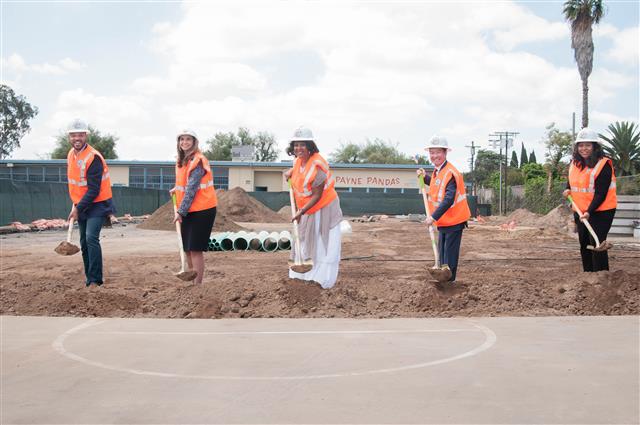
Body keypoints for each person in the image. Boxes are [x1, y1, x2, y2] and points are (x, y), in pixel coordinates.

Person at [284, 127, 343, 289]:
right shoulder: (297, 162)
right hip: (308, 209)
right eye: (296, 145)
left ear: (310, 146)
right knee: (305, 240)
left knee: (321, 243)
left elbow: (317, 196)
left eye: (302, 145)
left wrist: (300, 212)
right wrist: (289, 173)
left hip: (324, 208)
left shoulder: (317, 166)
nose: (298, 148)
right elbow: (299, 170)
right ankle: (303, 276)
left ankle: (322, 280)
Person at [65, 119, 116, 287]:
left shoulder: (93, 157)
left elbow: (94, 189)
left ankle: (96, 280)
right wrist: (76, 204)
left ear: (85, 136)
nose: (76, 138)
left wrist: (78, 208)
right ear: (69, 137)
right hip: (82, 204)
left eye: (80, 135)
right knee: (83, 243)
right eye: (73, 135)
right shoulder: (71, 155)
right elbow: (76, 183)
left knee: (91, 238)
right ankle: (89, 279)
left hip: (98, 204)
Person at [417, 135, 471, 283]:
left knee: (449, 256)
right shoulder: (438, 171)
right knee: (442, 254)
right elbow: (436, 184)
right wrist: (424, 177)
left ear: (445, 152)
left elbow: (448, 198)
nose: (434, 156)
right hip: (444, 221)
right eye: (432, 153)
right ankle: (443, 280)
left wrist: (433, 217)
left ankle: (450, 284)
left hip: (454, 221)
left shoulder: (450, 173)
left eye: (438, 152)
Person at [563, 127, 617, 272]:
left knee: (597, 243)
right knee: (584, 243)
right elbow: (571, 182)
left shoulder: (603, 164)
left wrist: (589, 211)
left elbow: (601, 193)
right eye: (581, 145)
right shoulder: (575, 163)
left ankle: (601, 276)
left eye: (588, 145)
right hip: (580, 211)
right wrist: (567, 189)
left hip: (601, 211)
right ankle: (588, 275)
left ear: (595, 146)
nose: (584, 148)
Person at [170, 129, 217, 284]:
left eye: (188, 139)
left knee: (195, 249)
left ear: (194, 142)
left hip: (203, 210)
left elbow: (191, 189)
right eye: (182, 139)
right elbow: (184, 185)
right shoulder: (182, 161)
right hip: (190, 209)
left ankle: (197, 285)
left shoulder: (198, 160)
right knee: (187, 248)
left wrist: (181, 212)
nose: (184, 142)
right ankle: (192, 279)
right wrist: (176, 189)